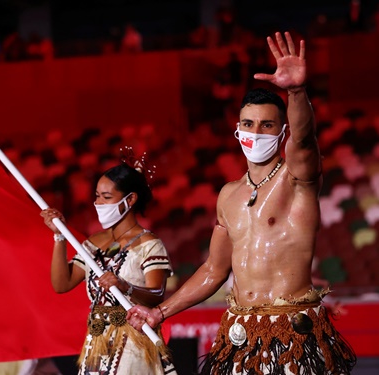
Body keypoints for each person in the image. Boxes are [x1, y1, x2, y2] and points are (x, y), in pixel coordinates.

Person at [127, 31, 357, 374]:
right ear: (237, 129)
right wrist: (160, 312)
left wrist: (295, 91)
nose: (256, 132)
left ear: (282, 132)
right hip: (241, 338)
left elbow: (305, 139)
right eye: (248, 124)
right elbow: (214, 270)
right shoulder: (228, 194)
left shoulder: (297, 178)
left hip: (293, 337)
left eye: (267, 125)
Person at [40, 147, 177, 375]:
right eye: (96, 196)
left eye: (106, 197)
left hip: (134, 344)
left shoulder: (150, 244)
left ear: (130, 199)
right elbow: (61, 284)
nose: (99, 203)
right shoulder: (95, 243)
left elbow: (157, 295)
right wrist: (59, 235)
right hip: (96, 344)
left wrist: (125, 287)